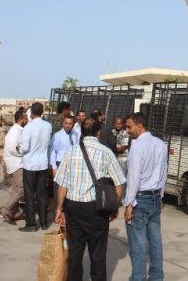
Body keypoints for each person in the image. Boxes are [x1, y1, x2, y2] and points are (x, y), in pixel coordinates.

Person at [54, 118, 126, 281]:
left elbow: (62, 185)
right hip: (97, 210)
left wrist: (59, 208)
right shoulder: (106, 152)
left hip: (73, 209)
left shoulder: (71, 152)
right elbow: (120, 182)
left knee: (75, 253)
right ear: (98, 132)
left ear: (82, 132)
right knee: (97, 254)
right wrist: (114, 206)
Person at [123, 112, 168, 281]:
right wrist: (161, 196)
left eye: (129, 127)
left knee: (138, 243)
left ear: (139, 126)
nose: (127, 130)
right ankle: (157, 276)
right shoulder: (161, 144)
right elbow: (163, 173)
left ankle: (138, 277)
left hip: (140, 199)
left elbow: (133, 177)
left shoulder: (137, 146)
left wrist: (129, 204)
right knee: (155, 240)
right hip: (155, 198)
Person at [19, 102, 52, 232]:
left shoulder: (28, 127)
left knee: (29, 195)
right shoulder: (48, 126)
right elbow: (49, 143)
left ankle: (31, 224)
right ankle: (44, 222)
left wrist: (20, 149)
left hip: (30, 165)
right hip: (43, 163)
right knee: (42, 194)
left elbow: (26, 147)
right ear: (42, 112)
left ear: (31, 112)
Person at [0, 110, 28, 225]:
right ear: (21, 119)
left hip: (18, 163)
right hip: (16, 164)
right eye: (26, 118)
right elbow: (12, 148)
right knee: (21, 188)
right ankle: (6, 210)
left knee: (16, 189)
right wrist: (23, 153)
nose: (27, 120)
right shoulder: (14, 131)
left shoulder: (20, 130)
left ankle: (14, 212)